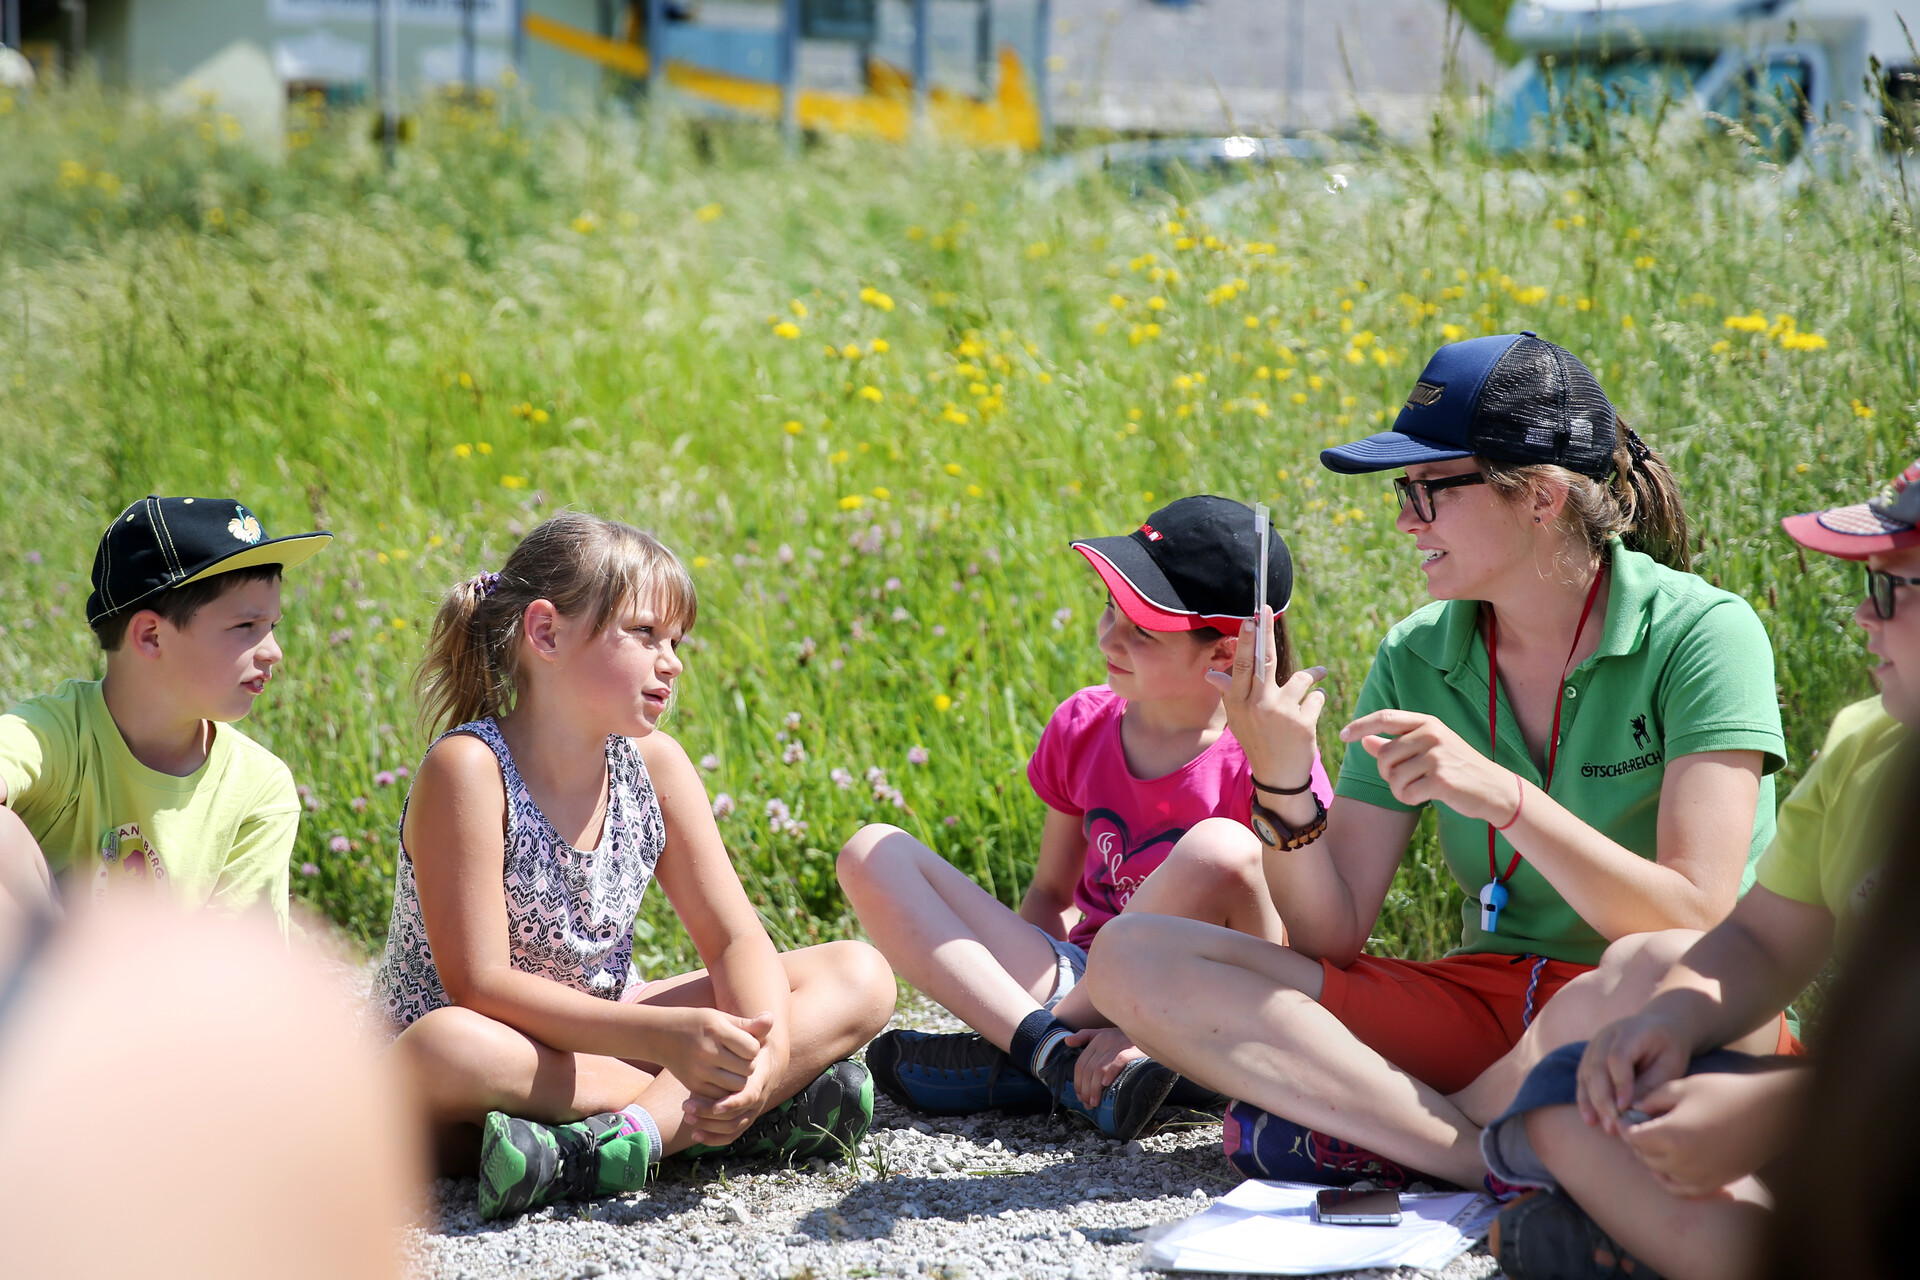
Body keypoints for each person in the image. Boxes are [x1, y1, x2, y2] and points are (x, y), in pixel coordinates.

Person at [1082, 333, 1792, 1192]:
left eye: (1428, 490)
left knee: (1654, 967)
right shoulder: (1417, 652)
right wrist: (1279, 780)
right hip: (1481, 1001)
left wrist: (1507, 800)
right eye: (1400, 491)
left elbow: (1698, 917)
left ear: (1536, 497)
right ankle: (1475, 1153)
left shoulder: (1705, 634)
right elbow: (1334, 934)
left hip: (1651, 1007)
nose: (1403, 518)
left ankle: (1384, 1121)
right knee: (1130, 954)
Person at [373, 512, 895, 1221]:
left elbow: (735, 938)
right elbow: (479, 984)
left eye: (675, 641)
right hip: (474, 1065)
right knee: (446, 1047)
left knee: (858, 974)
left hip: (602, 1044)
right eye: (645, 634)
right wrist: (667, 1045)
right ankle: (728, 1122)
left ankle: (629, 1139)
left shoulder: (655, 765)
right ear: (545, 633)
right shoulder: (469, 769)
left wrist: (761, 1055)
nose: (671, 660)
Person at [1479, 460, 1920, 1280]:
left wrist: (1788, 1113)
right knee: (1566, 1098)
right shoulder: (1866, 742)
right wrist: (1673, 1022)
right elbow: (1759, 938)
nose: (1863, 616)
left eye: (1892, 592)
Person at [838, 495, 1332, 1141]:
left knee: (1221, 850)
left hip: (1209, 996)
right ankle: (1048, 1053)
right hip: (1082, 980)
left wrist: (1136, 1025)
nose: (1108, 636)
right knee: (872, 849)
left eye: (1142, 631)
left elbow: (1286, 947)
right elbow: (1049, 892)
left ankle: (1041, 1058)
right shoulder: (1083, 723)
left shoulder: (1268, 759)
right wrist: (1040, 999)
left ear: (1225, 652)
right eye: (1109, 609)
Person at [0, 495, 331, 933]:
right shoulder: (58, 734)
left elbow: (238, 971)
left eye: (272, 627)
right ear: (151, 636)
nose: (274, 652)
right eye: (245, 627)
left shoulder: (258, 789)